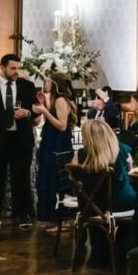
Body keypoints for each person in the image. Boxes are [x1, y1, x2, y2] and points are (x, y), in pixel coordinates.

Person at [0, 54, 39, 228]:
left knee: (22, 179)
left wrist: (28, 113)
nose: (16, 71)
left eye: (18, 68)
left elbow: (36, 111)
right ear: (2, 68)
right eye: (12, 68)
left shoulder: (27, 86)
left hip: (21, 140)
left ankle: (23, 215)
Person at [32, 74, 76, 224]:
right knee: (47, 177)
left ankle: (55, 216)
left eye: (48, 80)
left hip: (57, 143)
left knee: (54, 178)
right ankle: (47, 215)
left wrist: (44, 111)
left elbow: (62, 126)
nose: (45, 83)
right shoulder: (56, 100)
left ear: (56, 84)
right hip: (51, 141)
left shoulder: (61, 100)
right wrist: (44, 103)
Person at [77, 119, 135, 213]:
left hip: (95, 206)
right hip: (125, 202)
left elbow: (74, 178)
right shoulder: (121, 148)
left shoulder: (81, 154)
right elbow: (130, 167)